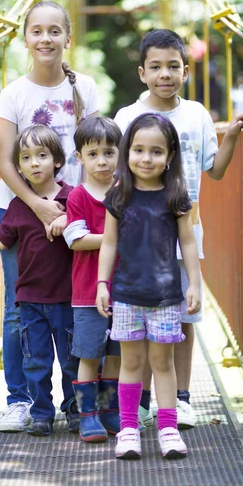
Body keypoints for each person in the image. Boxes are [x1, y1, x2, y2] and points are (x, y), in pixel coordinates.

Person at [113, 29, 243, 430]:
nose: (165, 74)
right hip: (138, 239)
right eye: (155, 67)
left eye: (173, 66)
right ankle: (139, 403)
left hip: (185, 234)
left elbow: (216, 170)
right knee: (138, 323)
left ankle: (182, 400)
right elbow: (118, 176)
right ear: (142, 72)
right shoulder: (126, 118)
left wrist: (234, 134)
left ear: (186, 71)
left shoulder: (196, 115)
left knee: (182, 320)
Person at [0, 1, 99, 432]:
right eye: (37, 31)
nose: (46, 39)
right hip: (20, 208)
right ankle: (20, 401)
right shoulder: (13, 93)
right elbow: (4, 163)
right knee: (20, 308)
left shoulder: (85, 88)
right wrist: (37, 206)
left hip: (73, 210)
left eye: (55, 31)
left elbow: (95, 151)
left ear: (67, 39)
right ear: (25, 39)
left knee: (78, 306)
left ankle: (82, 401)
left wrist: (71, 210)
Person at [96, 114, 201, 460]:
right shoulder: (119, 194)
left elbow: (187, 242)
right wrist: (102, 284)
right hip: (126, 295)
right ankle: (128, 429)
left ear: (170, 155)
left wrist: (194, 285)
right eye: (138, 150)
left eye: (156, 151)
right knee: (131, 362)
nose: (146, 158)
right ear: (127, 152)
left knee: (162, 362)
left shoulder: (176, 195)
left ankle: (168, 428)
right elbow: (109, 243)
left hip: (165, 296)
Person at [0, 125, 80, 436]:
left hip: (66, 297)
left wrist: (67, 219)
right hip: (31, 300)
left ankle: (75, 409)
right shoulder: (17, 206)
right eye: (26, 158)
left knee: (71, 360)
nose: (35, 163)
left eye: (42, 155)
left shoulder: (71, 198)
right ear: (18, 167)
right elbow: (3, 240)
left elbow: (88, 225)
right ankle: (41, 414)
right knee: (35, 362)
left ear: (58, 161)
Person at [63, 116, 122, 443]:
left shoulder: (125, 191)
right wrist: (114, 237)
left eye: (109, 153)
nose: (102, 160)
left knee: (116, 355)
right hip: (88, 293)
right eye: (94, 153)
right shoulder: (78, 197)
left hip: (124, 291)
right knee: (89, 354)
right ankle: (88, 416)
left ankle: (110, 411)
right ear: (79, 157)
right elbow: (76, 240)